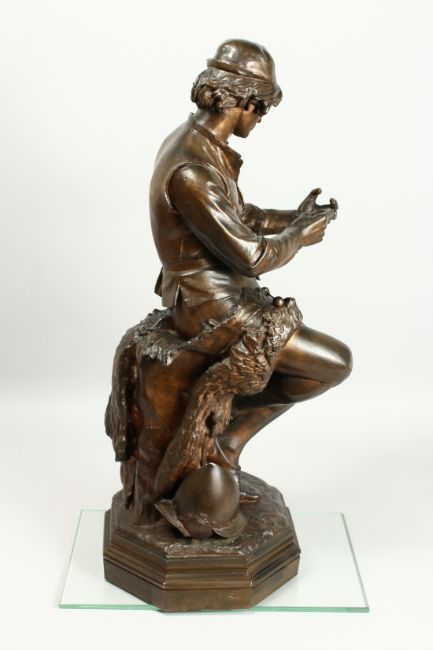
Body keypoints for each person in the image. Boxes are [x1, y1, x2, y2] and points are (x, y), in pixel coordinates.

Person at [149, 39, 352, 474]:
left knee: (313, 363)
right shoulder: (193, 169)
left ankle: (223, 441)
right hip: (210, 307)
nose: (260, 118)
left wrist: (296, 217)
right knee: (335, 364)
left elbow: (242, 217)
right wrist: (298, 237)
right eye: (260, 108)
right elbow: (252, 257)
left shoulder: (200, 144)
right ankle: (223, 435)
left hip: (223, 294)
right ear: (241, 100)